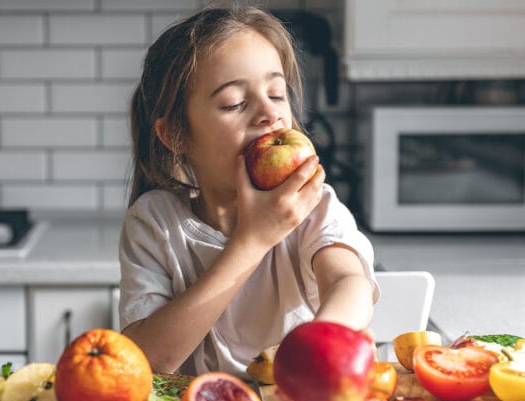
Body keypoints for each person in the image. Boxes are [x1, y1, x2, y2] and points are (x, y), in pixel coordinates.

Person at [119, 6, 378, 378]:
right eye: (234, 103)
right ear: (176, 134)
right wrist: (253, 240)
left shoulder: (313, 206)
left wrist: (319, 343)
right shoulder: (155, 223)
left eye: (276, 93)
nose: (268, 113)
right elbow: (146, 363)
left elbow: (349, 282)